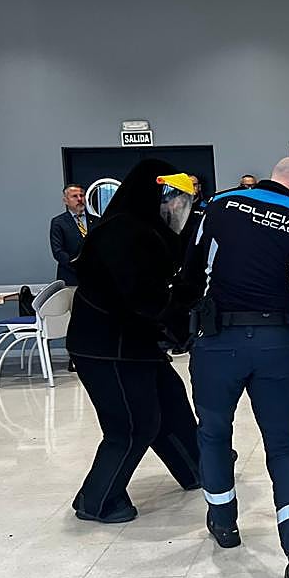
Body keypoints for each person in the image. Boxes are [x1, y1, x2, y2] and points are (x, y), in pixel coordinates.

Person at [181, 159, 289, 578]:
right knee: (284, 447)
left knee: (213, 434)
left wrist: (179, 325)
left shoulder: (219, 204)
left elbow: (191, 270)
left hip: (217, 342)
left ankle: (225, 523)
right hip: (275, 343)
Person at [66, 160, 201, 524]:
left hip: (133, 341)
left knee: (170, 402)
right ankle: (96, 500)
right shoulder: (121, 232)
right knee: (132, 424)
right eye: (171, 198)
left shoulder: (148, 230)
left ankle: (195, 468)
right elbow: (142, 296)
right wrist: (179, 322)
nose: (177, 208)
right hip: (106, 345)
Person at [49, 184, 99, 287]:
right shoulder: (59, 222)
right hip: (70, 278)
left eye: (82, 195)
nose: (79, 199)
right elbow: (58, 252)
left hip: (95, 277)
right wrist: (79, 267)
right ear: (66, 201)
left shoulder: (96, 221)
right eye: (75, 196)